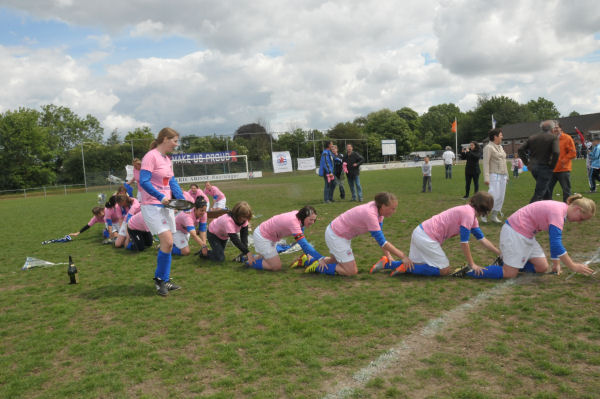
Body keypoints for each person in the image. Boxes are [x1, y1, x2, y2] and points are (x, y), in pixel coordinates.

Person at [458, 195, 596, 279]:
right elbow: (555, 243)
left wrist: (556, 264)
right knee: (509, 273)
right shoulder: (558, 213)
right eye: (581, 218)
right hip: (514, 233)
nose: (579, 222)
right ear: (577, 209)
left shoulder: (562, 211)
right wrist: (572, 266)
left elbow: (554, 241)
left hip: (527, 235)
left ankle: (507, 262)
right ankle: (469, 271)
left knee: (542, 267)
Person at [371, 192, 500, 277]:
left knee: (416, 263)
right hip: (427, 237)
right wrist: (472, 264)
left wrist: (499, 253)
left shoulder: (470, 215)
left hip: (420, 232)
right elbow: (464, 243)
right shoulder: (468, 214)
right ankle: (407, 268)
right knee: (444, 270)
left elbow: (482, 239)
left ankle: (387, 263)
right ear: (485, 209)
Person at [304, 192, 412, 276]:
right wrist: (403, 256)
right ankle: (317, 266)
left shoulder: (379, 212)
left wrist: (388, 256)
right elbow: (382, 242)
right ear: (383, 206)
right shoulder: (371, 214)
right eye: (392, 208)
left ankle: (309, 259)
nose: (394, 211)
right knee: (351, 271)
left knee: (334, 261)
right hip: (337, 235)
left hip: (337, 232)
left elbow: (380, 238)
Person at [139, 127, 186, 296]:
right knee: (167, 242)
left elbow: (171, 181)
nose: (176, 144)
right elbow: (144, 181)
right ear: (165, 139)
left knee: (169, 244)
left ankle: (164, 280)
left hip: (165, 205)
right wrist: (160, 196)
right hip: (152, 205)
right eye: (174, 141)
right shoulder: (150, 156)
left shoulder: (167, 159)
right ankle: (160, 281)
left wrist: (181, 199)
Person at [246, 206, 323, 271]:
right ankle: (248, 262)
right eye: (311, 220)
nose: (313, 222)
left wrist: (308, 254)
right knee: (276, 266)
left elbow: (302, 241)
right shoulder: (294, 222)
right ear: (304, 217)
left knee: (263, 258)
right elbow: (304, 244)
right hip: (263, 236)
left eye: (314, 220)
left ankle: (246, 258)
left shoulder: (299, 217)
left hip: (269, 236)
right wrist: (321, 258)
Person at [518, 120, 560, 203]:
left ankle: (549, 207)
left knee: (546, 190)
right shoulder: (553, 137)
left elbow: (520, 149)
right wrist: (552, 165)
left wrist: (527, 163)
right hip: (545, 167)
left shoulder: (532, 137)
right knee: (539, 193)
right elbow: (556, 152)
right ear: (552, 129)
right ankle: (529, 212)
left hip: (534, 168)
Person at [482, 128, 509, 223]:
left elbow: (504, 162)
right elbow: (485, 163)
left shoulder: (501, 147)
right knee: (493, 195)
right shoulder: (488, 148)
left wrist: (507, 175)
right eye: (501, 135)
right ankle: (484, 213)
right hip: (494, 175)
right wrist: (486, 177)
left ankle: (494, 215)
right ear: (495, 136)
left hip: (503, 175)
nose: (502, 137)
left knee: (501, 196)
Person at [547, 123, 576, 202]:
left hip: (563, 169)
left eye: (557, 127)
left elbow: (573, 153)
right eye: (554, 128)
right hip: (551, 169)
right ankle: (549, 207)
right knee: (547, 190)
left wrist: (563, 160)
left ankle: (566, 209)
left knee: (566, 191)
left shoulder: (567, 138)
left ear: (561, 128)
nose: (555, 129)